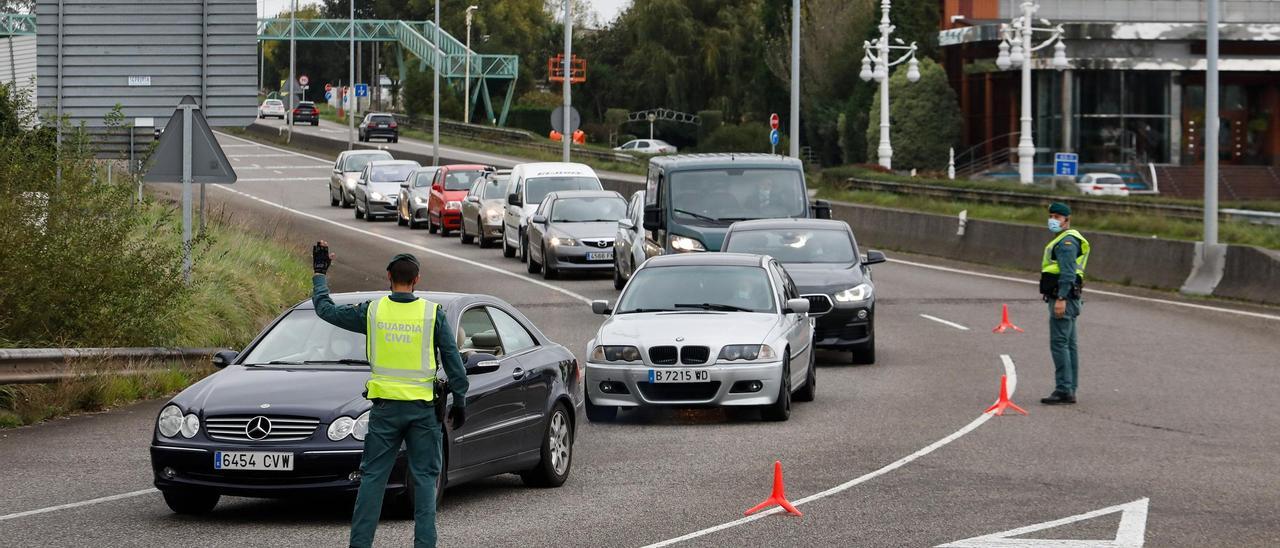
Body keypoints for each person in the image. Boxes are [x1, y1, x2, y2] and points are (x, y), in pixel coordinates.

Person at [310, 241, 469, 548]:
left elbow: (325, 310)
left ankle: (360, 544)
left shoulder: (373, 312)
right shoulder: (431, 314)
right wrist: (459, 401)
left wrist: (320, 275)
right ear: (417, 279)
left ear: (388, 277)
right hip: (423, 412)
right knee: (424, 482)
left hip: (384, 412)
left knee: (372, 480)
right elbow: (454, 364)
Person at [1039, 203, 1090, 405]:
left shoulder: (1067, 242)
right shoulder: (1065, 239)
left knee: (1060, 344)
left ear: (1067, 220)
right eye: (1051, 216)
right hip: (1069, 297)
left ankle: (1063, 389)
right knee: (1069, 345)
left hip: (1063, 298)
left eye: (1058, 217)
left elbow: (1068, 273)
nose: (1053, 220)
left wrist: (1061, 298)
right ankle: (1069, 389)